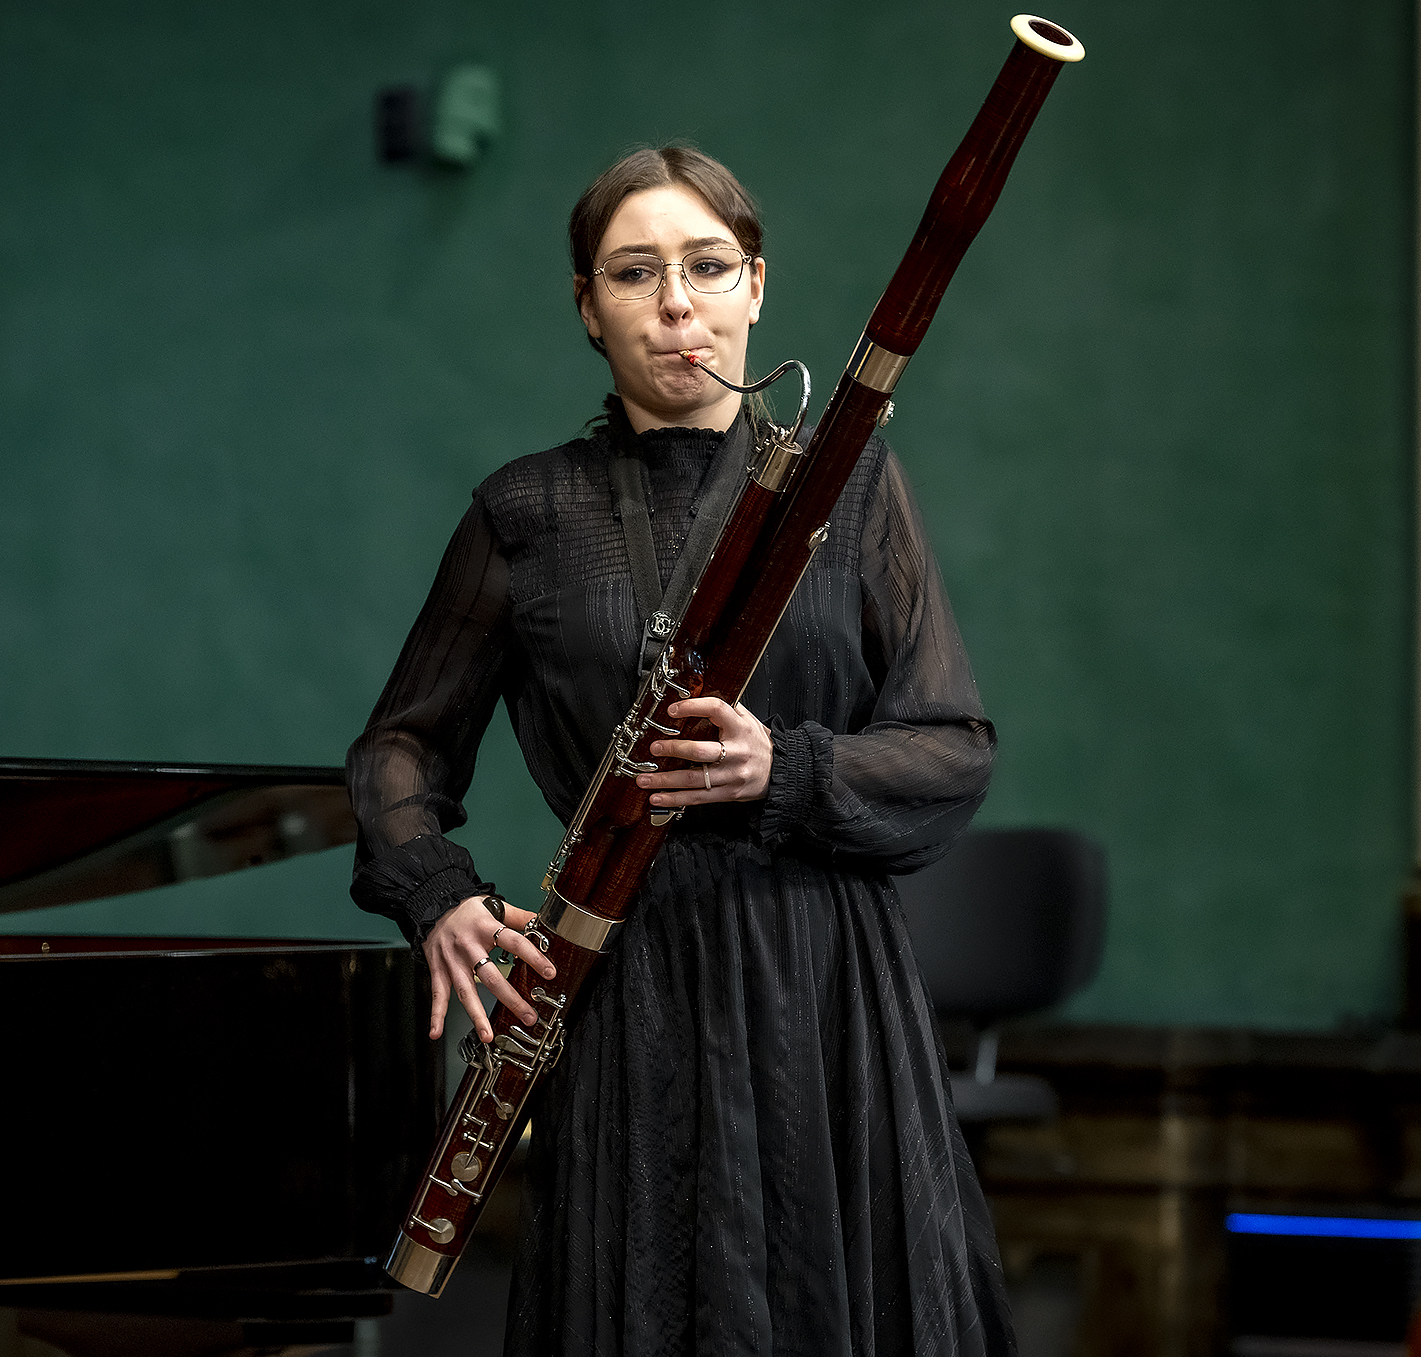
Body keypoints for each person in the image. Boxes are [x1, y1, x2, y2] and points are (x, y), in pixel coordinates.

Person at [347, 145, 1013, 1357]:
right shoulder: (525, 511)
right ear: (586, 307)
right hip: (625, 979)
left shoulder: (849, 484)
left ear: (755, 287)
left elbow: (950, 747)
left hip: (823, 980)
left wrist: (784, 768)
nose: (675, 304)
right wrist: (436, 895)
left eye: (707, 267)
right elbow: (399, 747)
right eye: (632, 273)